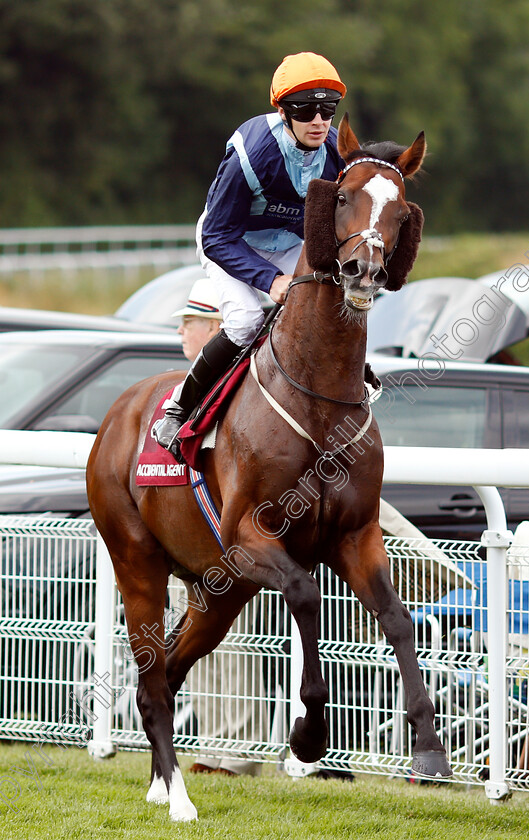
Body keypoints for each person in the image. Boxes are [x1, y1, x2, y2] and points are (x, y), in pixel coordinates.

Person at [155, 51, 347, 456]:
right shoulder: (253, 153)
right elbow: (216, 236)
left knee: (335, 298)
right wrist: (270, 280)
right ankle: (178, 409)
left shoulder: (335, 150)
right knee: (245, 322)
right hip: (231, 240)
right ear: (283, 111)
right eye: (306, 110)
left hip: (288, 240)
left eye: (328, 109)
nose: (319, 121)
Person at [167, 276, 268, 776]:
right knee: (200, 642)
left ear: (215, 328)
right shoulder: (196, 389)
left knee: (237, 641)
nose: (181, 333)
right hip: (193, 541)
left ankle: (242, 753)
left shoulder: (243, 389)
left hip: (233, 543)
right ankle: (212, 747)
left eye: (188, 323)